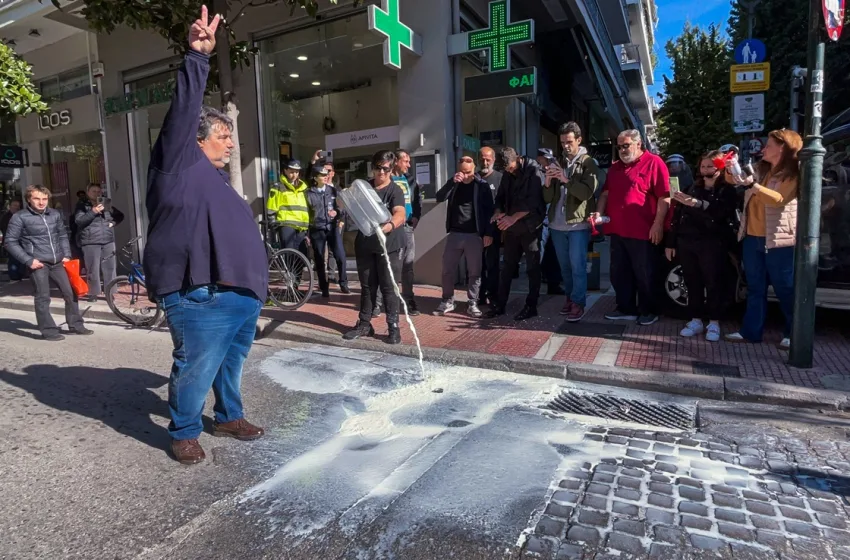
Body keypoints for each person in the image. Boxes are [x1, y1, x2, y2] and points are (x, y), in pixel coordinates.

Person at [143, 7, 268, 465]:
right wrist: (198, 58)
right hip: (200, 292)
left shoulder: (213, 180)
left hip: (239, 293)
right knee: (196, 364)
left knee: (229, 362)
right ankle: (185, 430)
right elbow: (182, 112)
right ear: (196, 139)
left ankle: (229, 415)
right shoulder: (178, 162)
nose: (231, 143)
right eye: (223, 135)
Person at [725, 129, 802, 349]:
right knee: (755, 287)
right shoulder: (761, 168)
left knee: (785, 287)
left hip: (779, 239)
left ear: (783, 148)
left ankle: (794, 334)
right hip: (752, 236)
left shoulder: (793, 173)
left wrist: (753, 185)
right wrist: (731, 169)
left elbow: (779, 199)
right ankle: (750, 332)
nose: (764, 148)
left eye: (769, 145)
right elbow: (734, 180)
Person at [593, 129, 670, 326]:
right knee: (619, 272)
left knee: (645, 273)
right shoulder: (615, 168)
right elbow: (605, 193)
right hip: (617, 230)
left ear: (638, 144)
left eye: (625, 145)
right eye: (619, 146)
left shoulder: (654, 162)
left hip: (643, 231)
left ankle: (649, 310)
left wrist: (658, 224)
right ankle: (626, 308)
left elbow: (664, 196)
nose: (622, 150)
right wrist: (598, 213)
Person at [665, 151, 739, 341]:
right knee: (692, 281)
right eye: (703, 166)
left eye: (709, 166)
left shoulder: (727, 190)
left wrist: (699, 204)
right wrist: (671, 242)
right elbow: (677, 216)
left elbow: (721, 213)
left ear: (719, 167)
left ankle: (714, 322)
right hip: (688, 240)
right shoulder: (692, 187)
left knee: (713, 282)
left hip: (713, 242)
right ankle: (695, 319)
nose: (705, 170)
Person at [4, 185, 91, 340]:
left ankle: (76, 324)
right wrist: (28, 260)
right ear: (29, 199)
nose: (41, 202)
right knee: (43, 297)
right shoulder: (20, 217)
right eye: (37, 198)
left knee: (70, 292)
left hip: (58, 261)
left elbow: (62, 235)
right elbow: (10, 242)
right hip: (38, 263)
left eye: (44, 199)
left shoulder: (54, 214)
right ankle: (48, 330)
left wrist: (66, 255)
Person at [343, 150, 407, 344]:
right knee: (367, 286)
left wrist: (389, 225)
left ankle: (393, 327)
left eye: (386, 169)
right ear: (373, 167)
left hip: (389, 245)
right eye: (378, 168)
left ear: (391, 169)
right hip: (366, 244)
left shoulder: (395, 190)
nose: (381, 172)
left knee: (389, 287)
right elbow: (348, 204)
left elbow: (400, 213)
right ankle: (364, 324)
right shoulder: (364, 188)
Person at [544, 122, 602, 323]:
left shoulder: (588, 163)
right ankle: (570, 298)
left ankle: (578, 302)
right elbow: (547, 197)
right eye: (562, 143)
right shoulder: (558, 161)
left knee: (577, 266)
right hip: (557, 224)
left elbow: (586, 193)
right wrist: (548, 181)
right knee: (565, 267)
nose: (565, 146)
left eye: (569, 142)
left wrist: (566, 179)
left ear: (579, 140)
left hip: (578, 223)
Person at [486, 147, 545, 321]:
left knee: (533, 268)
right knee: (507, 267)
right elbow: (500, 196)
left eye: (511, 168)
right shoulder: (507, 172)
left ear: (517, 159)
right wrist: (498, 212)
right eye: (506, 169)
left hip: (530, 226)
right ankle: (500, 305)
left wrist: (512, 218)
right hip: (512, 226)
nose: (509, 171)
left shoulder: (533, 170)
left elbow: (533, 202)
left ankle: (531, 306)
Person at [434, 156, 495, 318]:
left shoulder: (481, 186)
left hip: (474, 234)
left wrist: (488, 233)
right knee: (447, 270)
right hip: (454, 234)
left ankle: (472, 302)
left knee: (475, 271)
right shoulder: (454, 184)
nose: (465, 175)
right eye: (462, 171)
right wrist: (451, 182)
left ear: (474, 168)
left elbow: (490, 211)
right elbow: (439, 197)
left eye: (468, 172)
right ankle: (447, 300)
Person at [374, 149, 421, 317]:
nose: (408, 165)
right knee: (384, 265)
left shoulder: (410, 180)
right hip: (388, 229)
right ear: (396, 162)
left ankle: (409, 300)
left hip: (406, 227)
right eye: (405, 161)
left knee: (408, 265)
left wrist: (416, 216)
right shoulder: (386, 179)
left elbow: (417, 200)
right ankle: (377, 303)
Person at [74, 183, 125, 302]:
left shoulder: (105, 203)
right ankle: (93, 293)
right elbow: (79, 221)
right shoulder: (82, 205)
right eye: (94, 191)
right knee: (93, 268)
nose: (97, 193)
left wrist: (113, 223)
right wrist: (93, 211)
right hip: (90, 240)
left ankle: (110, 292)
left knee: (110, 268)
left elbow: (120, 215)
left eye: (99, 191)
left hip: (107, 240)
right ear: (88, 193)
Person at [305, 165, 349, 297]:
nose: (325, 177)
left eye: (326, 174)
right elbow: (306, 213)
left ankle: (343, 283)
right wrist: (307, 233)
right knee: (319, 259)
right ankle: (324, 287)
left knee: (340, 255)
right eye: (322, 175)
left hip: (332, 227)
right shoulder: (308, 193)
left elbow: (342, 207)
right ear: (315, 178)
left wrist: (337, 213)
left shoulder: (333, 191)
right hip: (317, 229)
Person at [478, 147, 503, 307]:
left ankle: (493, 295)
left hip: (493, 230)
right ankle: (479, 296)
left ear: (493, 159)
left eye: (488, 159)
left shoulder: (500, 178)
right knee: (476, 266)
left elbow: (502, 204)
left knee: (492, 264)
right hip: (475, 230)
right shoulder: (474, 178)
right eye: (482, 159)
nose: (485, 162)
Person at [267, 159, 310, 252]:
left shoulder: (303, 188)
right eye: (291, 172)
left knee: (302, 254)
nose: (294, 175)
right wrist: (273, 223)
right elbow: (272, 206)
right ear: (285, 171)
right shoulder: (278, 187)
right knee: (290, 253)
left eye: (297, 172)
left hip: (301, 225)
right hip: (286, 224)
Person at [1, 198, 23, 281]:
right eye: (14, 205)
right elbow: (5, 229)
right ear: (10, 207)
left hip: (19, 241)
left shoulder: (20, 215)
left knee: (19, 258)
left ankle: (19, 274)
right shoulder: (6, 217)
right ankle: (14, 275)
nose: (17, 207)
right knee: (13, 259)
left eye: (18, 206)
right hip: (11, 242)